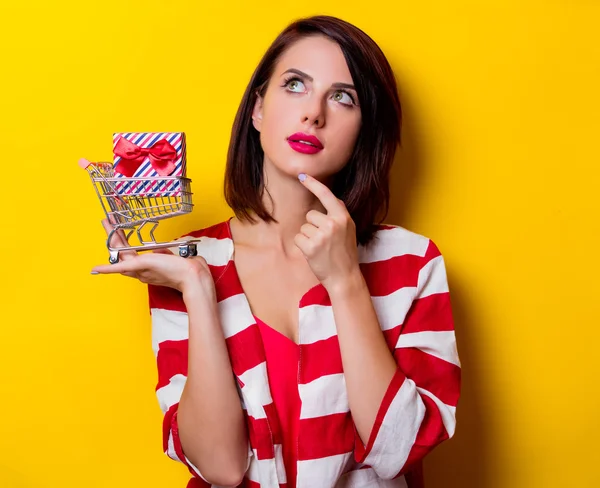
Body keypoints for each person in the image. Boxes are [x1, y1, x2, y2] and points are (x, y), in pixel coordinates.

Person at [91, 15, 461, 488]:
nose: (314, 114)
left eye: (342, 97)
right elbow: (220, 468)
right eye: (295, 85)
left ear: (364, 131)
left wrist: (346, 281)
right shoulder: (185, 262)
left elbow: (400, 451)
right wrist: (198, 289)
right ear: (258, 110)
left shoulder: (412, 263)